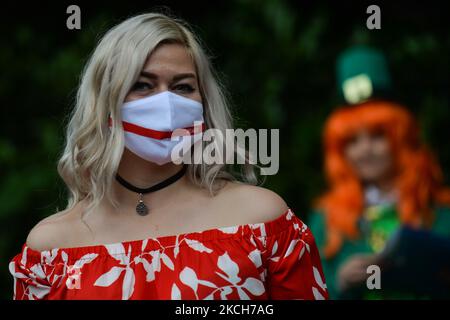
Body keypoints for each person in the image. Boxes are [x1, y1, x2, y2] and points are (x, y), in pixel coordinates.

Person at [8, 12, 328, 300]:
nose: (167, 103)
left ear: (204, 101)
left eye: (183, 87)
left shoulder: (262, 220)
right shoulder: (51, 250)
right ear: (106, 104)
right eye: (144, 85)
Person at [309, 100, 450, 299]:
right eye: (352, 141)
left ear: (401, 140)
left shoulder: (439, 208)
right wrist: (340, 283)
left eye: (378, 136)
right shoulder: (326, 217)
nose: (365, 150)